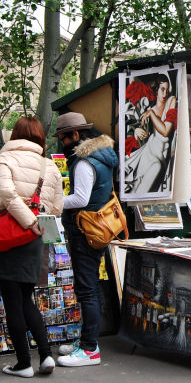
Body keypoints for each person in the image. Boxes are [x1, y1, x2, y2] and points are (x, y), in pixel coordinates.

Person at [0, 116, 64, 377]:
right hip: (36, 238)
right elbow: (56, 207)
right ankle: (47, 356)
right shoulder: (49, 167)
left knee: (12, 303)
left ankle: (23, 363)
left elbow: (7, 194)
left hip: (10, 236)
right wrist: (36, 221)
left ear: (15, 134)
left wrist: (26, 220)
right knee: (26, 299)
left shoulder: (6, 159)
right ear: (39, 136)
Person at [53, 111, 118, 367]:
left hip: (85, 230)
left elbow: (80, 198)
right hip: (97, 229)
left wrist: (53, 204)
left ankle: (90, 348)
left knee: (87, 289)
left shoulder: (83, 161)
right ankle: (86, 340)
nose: (62, 142)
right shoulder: (101, 156)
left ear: (76, 135)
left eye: (63, 138)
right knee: (89, 287)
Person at [123, 74, 177, 195]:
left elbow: (165, 131)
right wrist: (136, 131)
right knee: (135, 192)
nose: (165, 94)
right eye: (162, 89)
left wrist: (152, 114)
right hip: (146, 154)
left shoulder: (170, 101)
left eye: (167, 90)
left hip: (159, 159)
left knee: (143, 192)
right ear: (156, 90)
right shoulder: (147, 108)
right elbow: (135, 130)